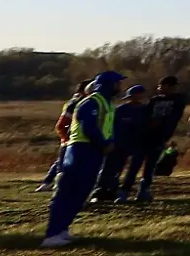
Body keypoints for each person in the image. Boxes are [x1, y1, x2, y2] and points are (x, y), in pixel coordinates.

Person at [42, 70, 124, 249]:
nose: (120, 87)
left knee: (82, 192)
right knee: (68, 191)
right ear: (107, 85)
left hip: (94, 151)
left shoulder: (108, 103)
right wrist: (103, 143)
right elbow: (89, 127)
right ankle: (52, 233)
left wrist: (110, 143)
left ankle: (62, 229)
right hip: (81, 149)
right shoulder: (90, 102)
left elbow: (108, 126)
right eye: (118, 83)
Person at [94, 85, 150, 202]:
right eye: (137, 94)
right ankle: (104, 190)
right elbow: (111, 126)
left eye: (141, 94)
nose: (139, 97)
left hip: (138, 143)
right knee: (112, 168)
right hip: (120, 143)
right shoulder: (120, 110)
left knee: (133, 169)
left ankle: (124, 191)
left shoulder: (145, 110)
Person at [38, 81, 92, 193]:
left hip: (73, 139)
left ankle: (48, 182)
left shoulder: (77, 102)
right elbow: (61, 125)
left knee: (61, 163)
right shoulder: (77, 103)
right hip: (73, 139)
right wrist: (66, 139)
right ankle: (57, 189)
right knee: (64, 167)